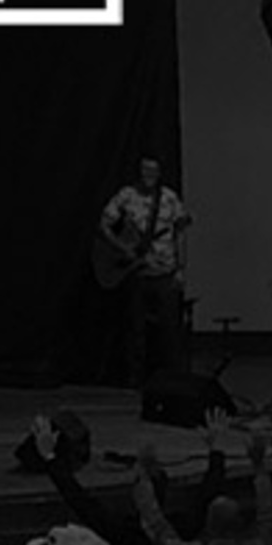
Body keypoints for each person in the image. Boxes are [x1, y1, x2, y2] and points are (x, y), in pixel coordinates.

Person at [100, 157, 191, 385]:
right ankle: (136, 378)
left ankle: (171, 377)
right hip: (137, 273)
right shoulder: (127, 196)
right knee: (135, 329)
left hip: (165, 272)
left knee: (169, 330)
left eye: (152, 171)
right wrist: (122, 248)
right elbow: (104, 225)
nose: (147, 176)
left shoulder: (169, 198)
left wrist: (181, 268)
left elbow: (181, 233)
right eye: (144, 171)